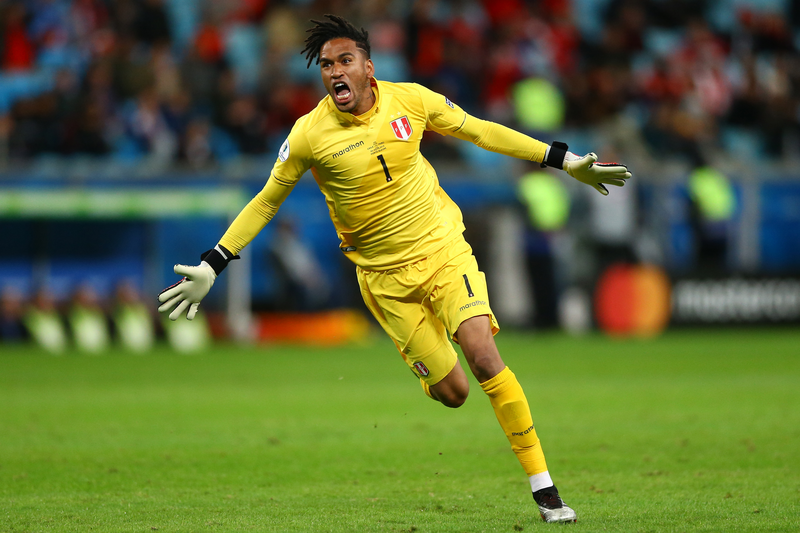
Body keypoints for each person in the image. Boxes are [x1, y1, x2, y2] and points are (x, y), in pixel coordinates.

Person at [158, 14, 630, 524]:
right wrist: (215, 260)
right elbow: (267, 202)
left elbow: (481, 132)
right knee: (454, 393)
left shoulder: (412, 99)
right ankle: (430, 365)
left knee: (484, 355)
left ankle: (546, 492)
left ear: (368, 67)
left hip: (444, 252)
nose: (335, 72)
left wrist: (563, 159)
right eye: (325, 65)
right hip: (385, 282)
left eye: (344, 61)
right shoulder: (309, 135)